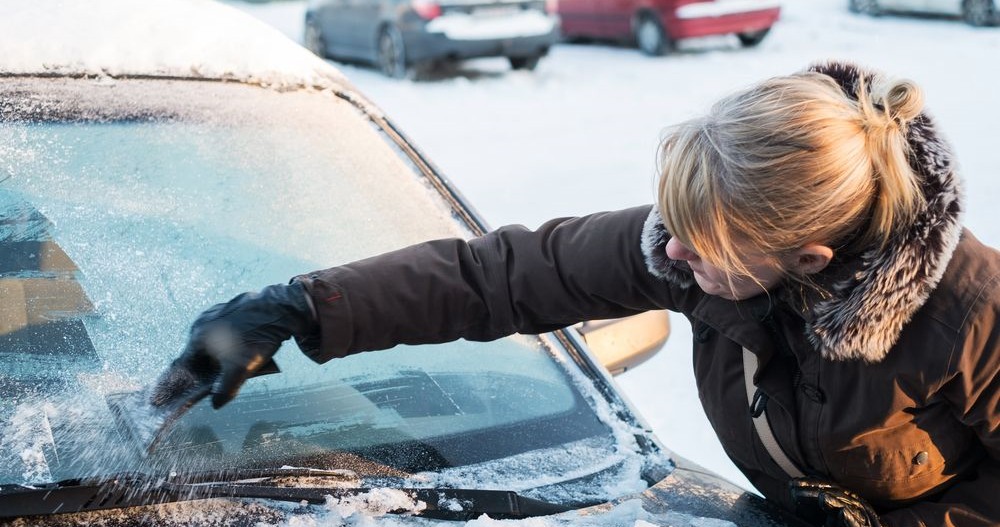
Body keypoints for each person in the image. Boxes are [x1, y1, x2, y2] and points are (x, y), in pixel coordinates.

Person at [151, 61, 1000, 527]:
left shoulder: (969, 312)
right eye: (671, 222)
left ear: (808, 256)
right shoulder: (692, 241)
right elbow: (505, 276)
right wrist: (301, 306)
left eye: (699, 249)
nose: (667, 254)